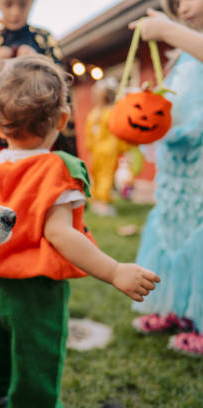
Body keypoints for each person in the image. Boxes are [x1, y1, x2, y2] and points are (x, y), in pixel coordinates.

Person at [0, 55, 160, 408]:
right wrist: (114, 271)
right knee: (37, 358)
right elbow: (61, 234)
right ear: (64, 119)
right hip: (36, 294)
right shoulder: (57, 169)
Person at [0, 0, 77, 307]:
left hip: (35, 138)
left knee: (34, 201)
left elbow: (61, 84)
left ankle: (36, 263)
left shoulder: (43, 39)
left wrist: (37, 63)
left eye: (22, 4)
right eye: (8, 4)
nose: (15, 11)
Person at [129, 1, 203, 357]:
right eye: (178, 1)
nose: (184, 6)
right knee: (175, 231)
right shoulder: (184, 52)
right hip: (179, 162)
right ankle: (177, 310)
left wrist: (169, 30)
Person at [84, 78, 130, 216]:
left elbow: (89, 135)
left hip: (97, 150)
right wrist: (123, 148)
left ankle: (96, 200)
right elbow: (118, 131)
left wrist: (90, 148)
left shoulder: (93, 113)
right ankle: (103, 203)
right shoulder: (112, 113)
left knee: (97, 175)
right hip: (109, 150)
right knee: (106, 176)